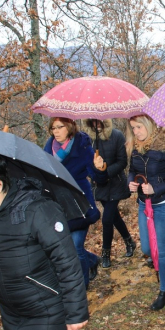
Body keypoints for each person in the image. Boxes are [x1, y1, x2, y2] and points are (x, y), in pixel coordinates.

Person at [0, 150, 88, 330]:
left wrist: (75, 314)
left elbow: (68, 264)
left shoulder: (39, 210)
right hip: (12, 313)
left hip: (46, 312)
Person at [126, 114, 165, 311]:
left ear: (149, 125)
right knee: (148, 249)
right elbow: (132, 169)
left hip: (164, 203)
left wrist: (155, 189)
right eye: (133, 127)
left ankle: (164, 290)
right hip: (144, 203)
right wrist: (130, 182)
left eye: (139, 127)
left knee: (162, 252)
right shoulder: (135, 146)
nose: (136, 131)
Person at [44, 117, 106, 289]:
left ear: (69, 127)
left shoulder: (82, 146)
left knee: (76, 247)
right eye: (53, 128)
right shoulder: (48, 148)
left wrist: (99, 168)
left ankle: (82, 287)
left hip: (79, 203)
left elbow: (97, 177)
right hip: (59, 204)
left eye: (60, 127)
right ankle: (93, 260)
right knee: (69, 248)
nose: (55, 131)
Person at [82, 118, 136, 269]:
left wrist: (105, 171)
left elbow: (122, 161)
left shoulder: (117, 135)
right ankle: (129, 241)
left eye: (98, 122)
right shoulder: (89, 140)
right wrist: (95, 173)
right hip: (100, 185)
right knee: (114, 217)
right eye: (92, 122)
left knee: (107, 219)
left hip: (116, 183)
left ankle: (105, 253)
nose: (95, 125)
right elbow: (86, 163)